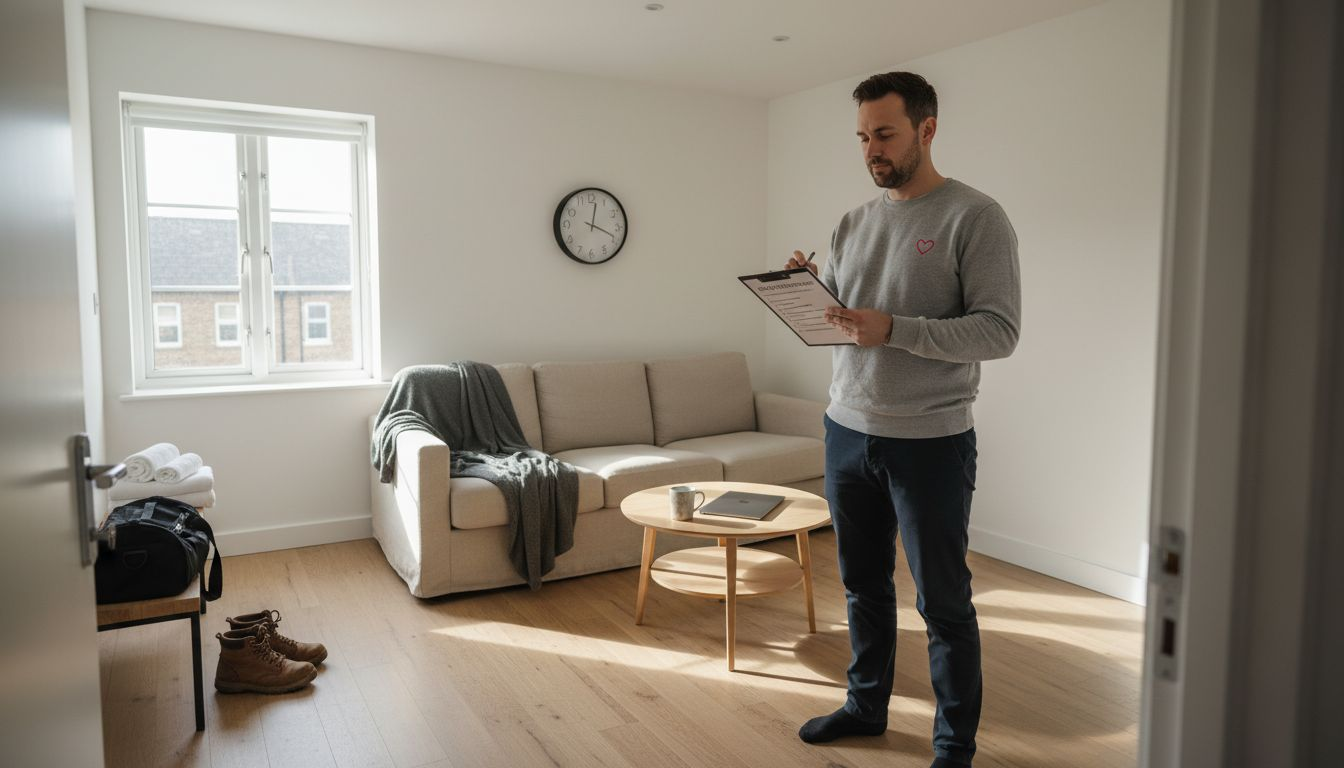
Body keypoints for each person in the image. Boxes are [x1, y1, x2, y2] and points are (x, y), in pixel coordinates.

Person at [790, 71, 1021, 768]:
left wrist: (894, 329)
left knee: (943, 602)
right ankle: (865, 707)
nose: (871, 149)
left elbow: (998, 332)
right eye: (862, 136)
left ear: (927, 129)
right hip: (845, 429)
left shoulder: (975, 217)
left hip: (930, 441)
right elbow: (848, 322)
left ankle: (954, 744)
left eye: (884, 134)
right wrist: (807, 294)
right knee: (862, 586)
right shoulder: (852, 222)